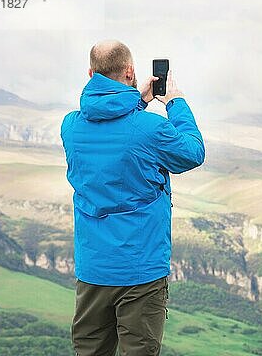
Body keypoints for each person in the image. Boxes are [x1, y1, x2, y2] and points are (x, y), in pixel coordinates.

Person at [60, 39, 205, 356]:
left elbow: (113, 131)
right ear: (130, 71)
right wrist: (175, 103)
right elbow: (192, 153)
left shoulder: (71, 126)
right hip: (141, 269)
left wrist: (136, 102)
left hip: (93, 269)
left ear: (90, 73)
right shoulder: (150, 129)